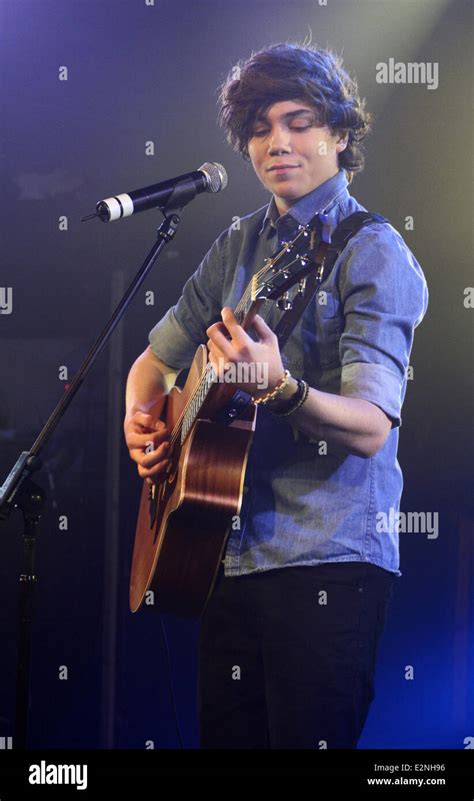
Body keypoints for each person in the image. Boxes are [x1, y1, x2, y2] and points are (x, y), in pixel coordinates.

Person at [123, 43, 428, 749]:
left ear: (341, 134)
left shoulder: (372, 250)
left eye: (299, 121)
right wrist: (141, 423)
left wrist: (284, 388)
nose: (277, 142)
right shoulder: (239, 242)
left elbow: (371, 425)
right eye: (260, 127)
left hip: (329, 558)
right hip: (227, 556)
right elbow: (151, 363)